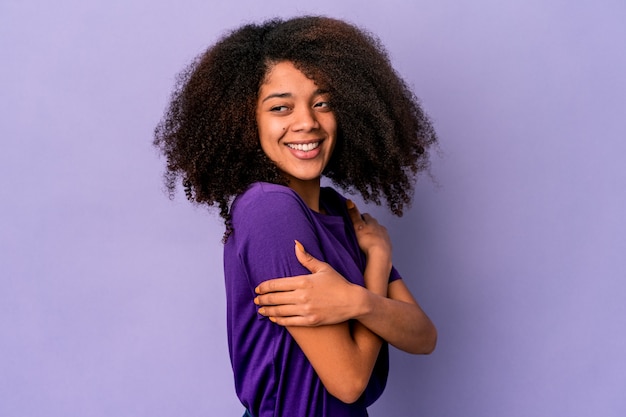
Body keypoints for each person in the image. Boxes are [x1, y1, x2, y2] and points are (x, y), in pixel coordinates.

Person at [154, 15, 438, 417]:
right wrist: (373, 273)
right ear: (244, 119)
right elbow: (349, 381)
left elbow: (424, 335)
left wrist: (358, 295)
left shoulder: (340, 210)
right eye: (280, 107)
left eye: (322, 103)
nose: (307, 122)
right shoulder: (269, 209)